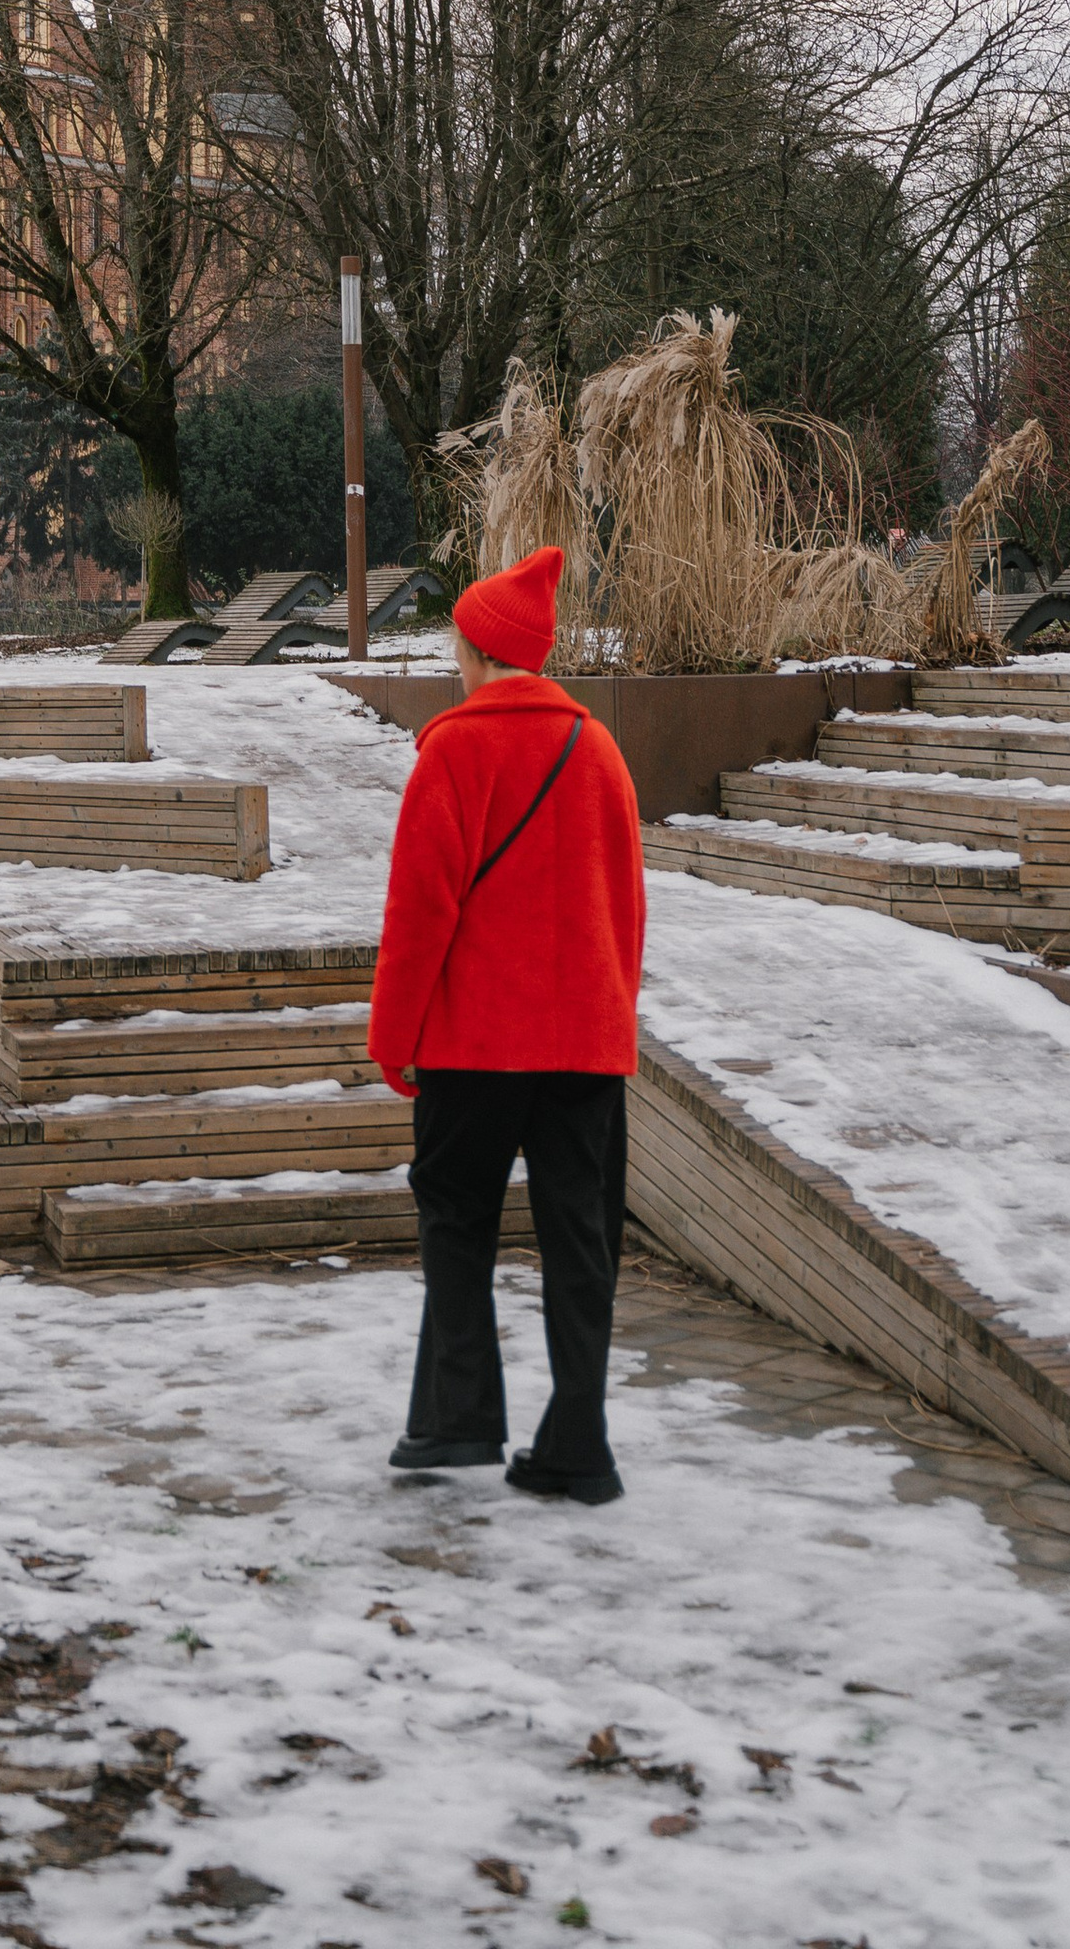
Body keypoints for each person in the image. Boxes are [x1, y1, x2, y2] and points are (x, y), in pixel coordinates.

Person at [367, 543, 646, 1506]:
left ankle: (457, 1420)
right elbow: (626, 907)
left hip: (473, 1045)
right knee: (581, 1240)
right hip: (583, 1047)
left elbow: (420, 915)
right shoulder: (598, 748)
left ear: (480, 648)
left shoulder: (454, 748)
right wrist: (614, 1022)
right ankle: (580, 1446)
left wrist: (393, 1039)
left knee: (456, 1221)